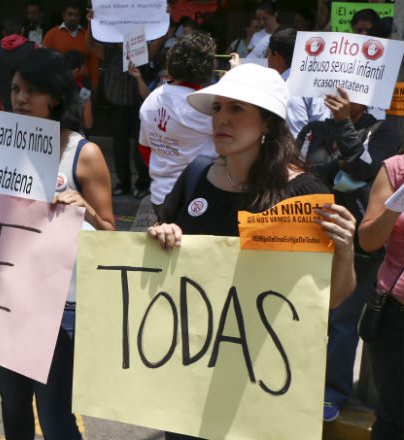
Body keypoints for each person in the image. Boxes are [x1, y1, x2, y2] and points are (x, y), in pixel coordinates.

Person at [150, 64, 357, 440]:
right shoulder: (196, 174)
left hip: (263, 377)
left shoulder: (305, 194)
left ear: (267, 123)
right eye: (218, 109)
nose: (222, 120)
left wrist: (344, 251)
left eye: (237, 109)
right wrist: (161, 236)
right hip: (189, 368)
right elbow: (162, 256)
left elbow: (330, 299)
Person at [0, 48, 114, 440]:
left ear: (54, 97)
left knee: (55, 416)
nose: (21, 99)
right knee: (13, 403)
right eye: (17, 89)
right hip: (4, 299)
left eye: (32, 91)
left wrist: (84, 208)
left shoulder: (83, 155)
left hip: (58, 308)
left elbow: (109, 233)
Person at [298, 87, 399, 422]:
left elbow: (363, 169)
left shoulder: (384, 130)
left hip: (358, 244)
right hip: (312, 234)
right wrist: (337, 165)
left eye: (349, 90)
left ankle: (332, 392)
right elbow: (308, 172)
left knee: (343, 322)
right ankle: (299, 383)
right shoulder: (316, 128)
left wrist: (343, 127)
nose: (338, 96)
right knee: (308, 314)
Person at [86, 9, 165, 198]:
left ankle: (142, 184)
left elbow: (162, 39)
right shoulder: (110, 51)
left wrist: (164, 17)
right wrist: (91, 23)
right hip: (116, 101)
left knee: (141, 146)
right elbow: (88, 43)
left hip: (139, 104)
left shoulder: (142, 51)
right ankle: (123, 183)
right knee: (119, 145)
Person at [141, 32, 218, 211]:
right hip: (196, 198)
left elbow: (145, 150)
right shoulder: (205, 105)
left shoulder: (152, 98)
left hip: (160, 195)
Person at [357, 155, 404, 440]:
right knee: (393, 419)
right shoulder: (396, 169)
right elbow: (368, 241)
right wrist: (395, 205)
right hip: (396, 317)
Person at [265, 28, 327, 139]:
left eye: (268, 54)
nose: (267, 59)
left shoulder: (287, 89)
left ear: (276, 55)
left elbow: (296, 136)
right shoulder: (315, 80)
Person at [42, 2, 100, 95]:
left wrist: (94, 84)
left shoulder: (88, 36)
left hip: (83, 83)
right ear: (63, 15)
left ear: (80, 17)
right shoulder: (51, 34)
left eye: (76, 15)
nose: (73, 18)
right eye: (69, 14)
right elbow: (44, 60)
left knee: (84, 108)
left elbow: (93, 62)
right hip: (59, 81)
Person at [0, 17, 35, 111]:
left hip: (4, 98)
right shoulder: (33, 47)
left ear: (4, 32)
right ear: (23, 30)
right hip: (27, 99)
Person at [62, 51, 94, 131]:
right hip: (72, 137)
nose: (85, 70)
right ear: (76, 70)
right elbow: (88, 124)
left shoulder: (50, 87)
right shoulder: (84, 93)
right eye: (83, 66)